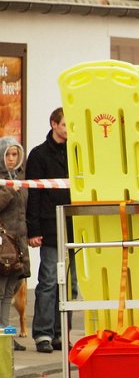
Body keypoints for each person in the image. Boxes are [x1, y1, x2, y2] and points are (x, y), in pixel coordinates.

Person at [25, 107, 75, 354]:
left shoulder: (77, 152)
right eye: (65, 124)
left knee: (70, 285)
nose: (68, 129)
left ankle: (60, 334)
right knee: (48, 282)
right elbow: (33, 193)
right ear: (54, 124)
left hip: (74, 228)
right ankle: (43, 333)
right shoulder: (39, 154)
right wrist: (33, 229)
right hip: (49, 227)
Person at [0, 137, 30, 351]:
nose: (11, 159)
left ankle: (6, 332)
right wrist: (10, 190)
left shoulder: (20, 177)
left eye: (15, 154)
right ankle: (2, 333)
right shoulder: (5, 181)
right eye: (8, 155)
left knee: (11, 289)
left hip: (17, 243)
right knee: (1, 290)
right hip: (3, 243)